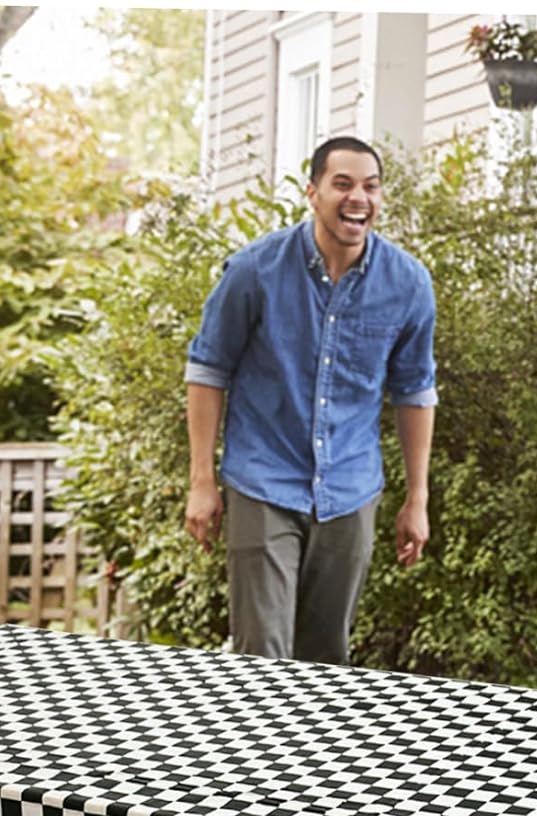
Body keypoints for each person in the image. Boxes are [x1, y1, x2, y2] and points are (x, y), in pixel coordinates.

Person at [183, 136, 437, 663]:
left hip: (350, 489)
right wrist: (202, 481)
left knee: (326, 660)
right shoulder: (255, 271)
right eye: (342, 184)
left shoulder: (408, 284)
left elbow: (414, 392)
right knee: (264, 656)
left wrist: (418, 498)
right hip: (264, 481)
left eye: (370, 187)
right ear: (312, 192)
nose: (358, 198)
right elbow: (208, 371)